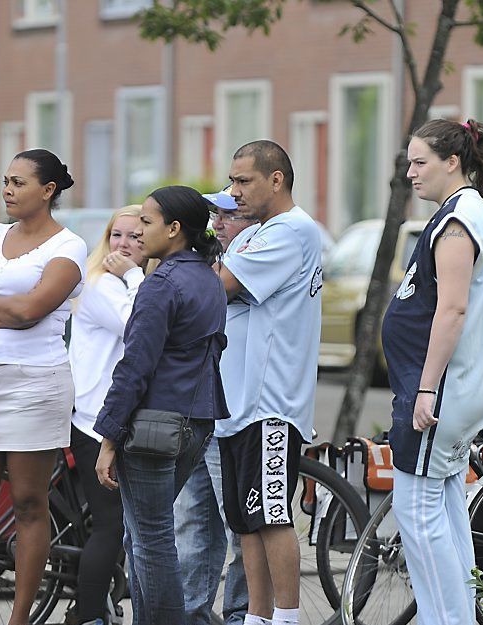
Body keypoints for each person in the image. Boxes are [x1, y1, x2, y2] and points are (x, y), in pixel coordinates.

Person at [0, 148, 88, 625]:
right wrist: (7, 307)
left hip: (37, 385)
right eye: (6, 181)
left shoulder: (68, 247)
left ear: (48, 191)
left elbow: (32, 313)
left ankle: (19, 619)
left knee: (29, 504)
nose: (7, 190)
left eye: (19, 182)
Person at [380, 119, 483, 625]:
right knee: (447, 506)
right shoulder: (468, 213)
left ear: (453, 161)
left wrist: (426, 387)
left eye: (419, 162)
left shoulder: (460, 222)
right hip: (456, 385)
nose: (410, 173)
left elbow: (451, 310)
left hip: (443, 387)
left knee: (417, 512)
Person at [93, 186, 229, 625]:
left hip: (156, 424)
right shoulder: (207, 276)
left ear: (174, 229)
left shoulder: (162, 284)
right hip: (198, 420)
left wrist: (109, 437)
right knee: (145, 535)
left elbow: (136, 367)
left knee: (151, 538)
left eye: (147, 223)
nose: (138, 232)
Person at [216, 140, 322, 625]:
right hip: (239, 404)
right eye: (232, 181)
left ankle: (286, 618)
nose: (233, 192)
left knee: (272, 519)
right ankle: (256, 618)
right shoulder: (253, 234)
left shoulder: (291, 231)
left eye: (243, 181)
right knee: (247, 524)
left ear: (275, 179)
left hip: (271, 403)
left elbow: (219, 286)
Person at [173, 186, 256, 625]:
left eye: (227, 216)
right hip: (202, 408)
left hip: (242, 413)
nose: (216, 225)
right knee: (191, 522)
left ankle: (243, 613)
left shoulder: (249, 260)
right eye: (213, 217)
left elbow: (198, 293)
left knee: (242, 526)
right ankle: (191, 616)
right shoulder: (210, 262)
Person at [69, 205, 154, 625]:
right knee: (110, 525)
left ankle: (93, 607)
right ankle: (88, 616)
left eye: (136, 237)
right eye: (117, 235)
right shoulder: (104, 284)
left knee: (112, 524)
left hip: (108, 414)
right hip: (95, 420)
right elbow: (137, 326)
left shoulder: (120, 282)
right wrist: (136, 276)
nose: (124, 244)